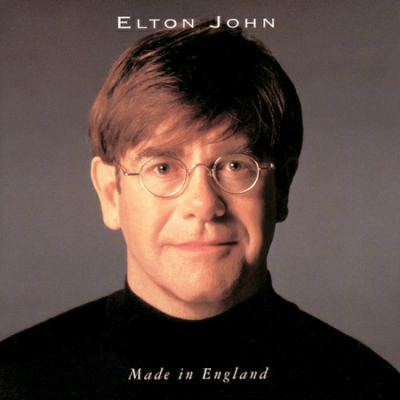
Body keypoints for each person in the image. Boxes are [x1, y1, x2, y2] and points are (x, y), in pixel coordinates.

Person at [1, 20, 399, 400]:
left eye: (235, 165)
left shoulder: (369, 387)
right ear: (110, 193)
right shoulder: (14, 380)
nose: (204, 205)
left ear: (282, 190)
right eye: (162, 167)